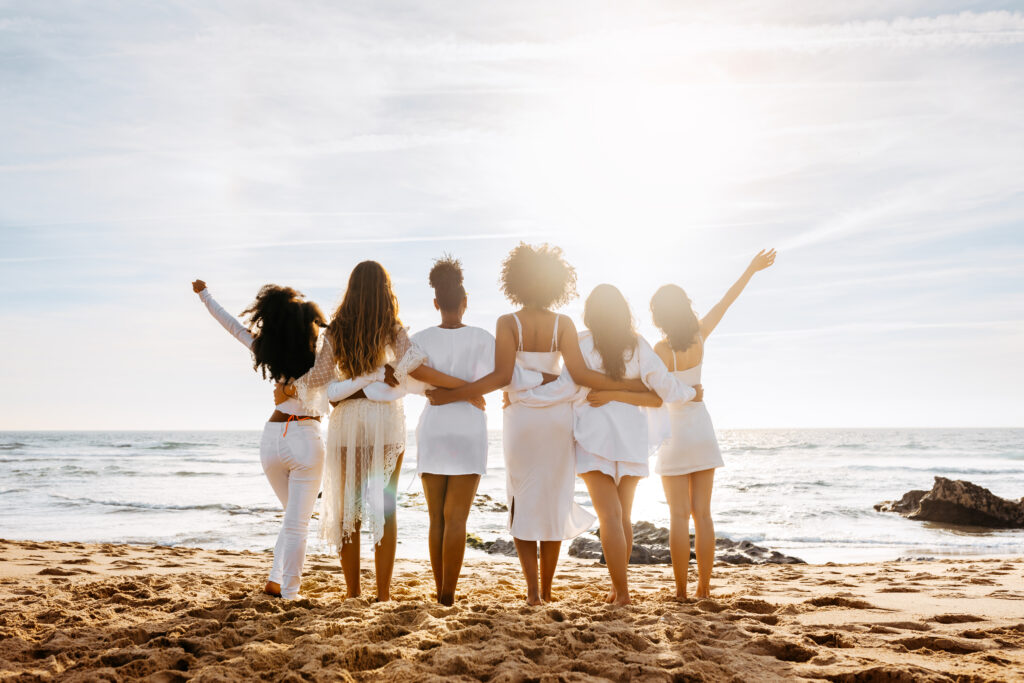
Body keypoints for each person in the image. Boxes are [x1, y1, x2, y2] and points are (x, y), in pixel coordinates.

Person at [425, 243, 649, 605]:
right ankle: (547, 589)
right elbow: (577, 376)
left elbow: (503, 376)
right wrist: (552, 382)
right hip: (557, 421)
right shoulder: (564, 324)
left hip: (521, 420)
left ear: (515, 281)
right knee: (553, 499)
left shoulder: (507, 322)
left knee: (523, 499)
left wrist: (459, 394)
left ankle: (532, 592)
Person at [512, 284, 700, 605]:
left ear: (590, 314)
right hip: (631, 437)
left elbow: (564, 387)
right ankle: (618, 590)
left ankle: (623, 594)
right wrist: (691, 393)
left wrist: (523, 392)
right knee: (622, 516)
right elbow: (662, 386)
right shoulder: (638, 345)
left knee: (609, 517)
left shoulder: (582, 344)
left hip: (593, 436)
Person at [277, 261, 428, 601]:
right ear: (385, 290)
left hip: (348, 421)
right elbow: (415, 356)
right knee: (384, 508)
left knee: (349, 509)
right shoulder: (391, 326)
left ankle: (353, 592)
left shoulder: (338, 329)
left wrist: (290, 389)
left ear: (352, 288)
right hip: (385, 420)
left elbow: (318, 378)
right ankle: (384, 594)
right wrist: (391, 371)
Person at [191, 279, 328, 600]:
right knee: (298, 524)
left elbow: (231, 325)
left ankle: (275, 580)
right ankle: (291, 594)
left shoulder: (268, 348)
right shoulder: (321, 356)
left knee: (293, 518)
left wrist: (205, 295)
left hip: (271, 441)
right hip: (305, 437)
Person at [652, 248, 776, 599]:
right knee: (702, 515)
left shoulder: (661, 350)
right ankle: (704, 589)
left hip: (674, 434)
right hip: (701, 430)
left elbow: (657, 392)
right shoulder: (700, 335)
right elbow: (727, 300)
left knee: (678, 517)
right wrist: (750, 269)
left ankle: (680, 591)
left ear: (659, 315)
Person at [407, 255, 499, 605]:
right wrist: (469, 392)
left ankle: (438, 589)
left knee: (436, 520)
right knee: (456, 519)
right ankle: (448, 595)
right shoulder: (482, 337)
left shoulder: (420, 338)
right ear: (465, 302)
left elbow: (410, 377)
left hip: (434, 428)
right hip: (468, 430)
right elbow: (499, 379)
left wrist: (446, 393)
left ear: (435, 302)